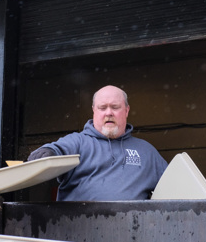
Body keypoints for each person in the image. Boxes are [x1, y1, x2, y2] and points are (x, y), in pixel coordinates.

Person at [27, 85, 168, 201]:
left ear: (126, 110)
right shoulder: (78, 142)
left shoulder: (147, 152)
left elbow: (174, 187)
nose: (109, 113)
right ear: (94, 111)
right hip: (79, 231)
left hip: (132, 232)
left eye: (115, 107)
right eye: (102, 107)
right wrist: (46, 154)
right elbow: (56, 150)